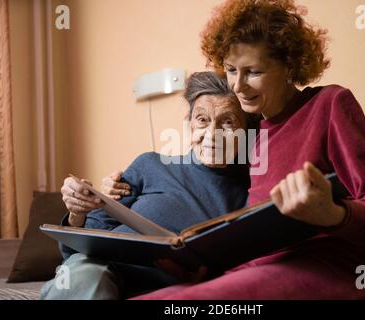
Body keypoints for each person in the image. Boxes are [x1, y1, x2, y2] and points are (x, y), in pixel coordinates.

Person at [115, 0, 365, 300]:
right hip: (260, 271)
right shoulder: (251, 135)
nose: (238, 86)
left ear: (289, 65)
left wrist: (334, 213)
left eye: (253, 71)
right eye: (230, 70)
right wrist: (205, 272)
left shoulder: (330, 104)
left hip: (341, 269)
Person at [40, 71, 255, 300]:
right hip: (101, 270)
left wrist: (206, 278)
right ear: (189, 124)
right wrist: (77, 213)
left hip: (169, 288)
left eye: (228, 122)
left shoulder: (249, 192)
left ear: (245, 132)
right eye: (203, 120)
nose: (212, 134)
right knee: (86, 278)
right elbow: (77, 250)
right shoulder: (150, 165)